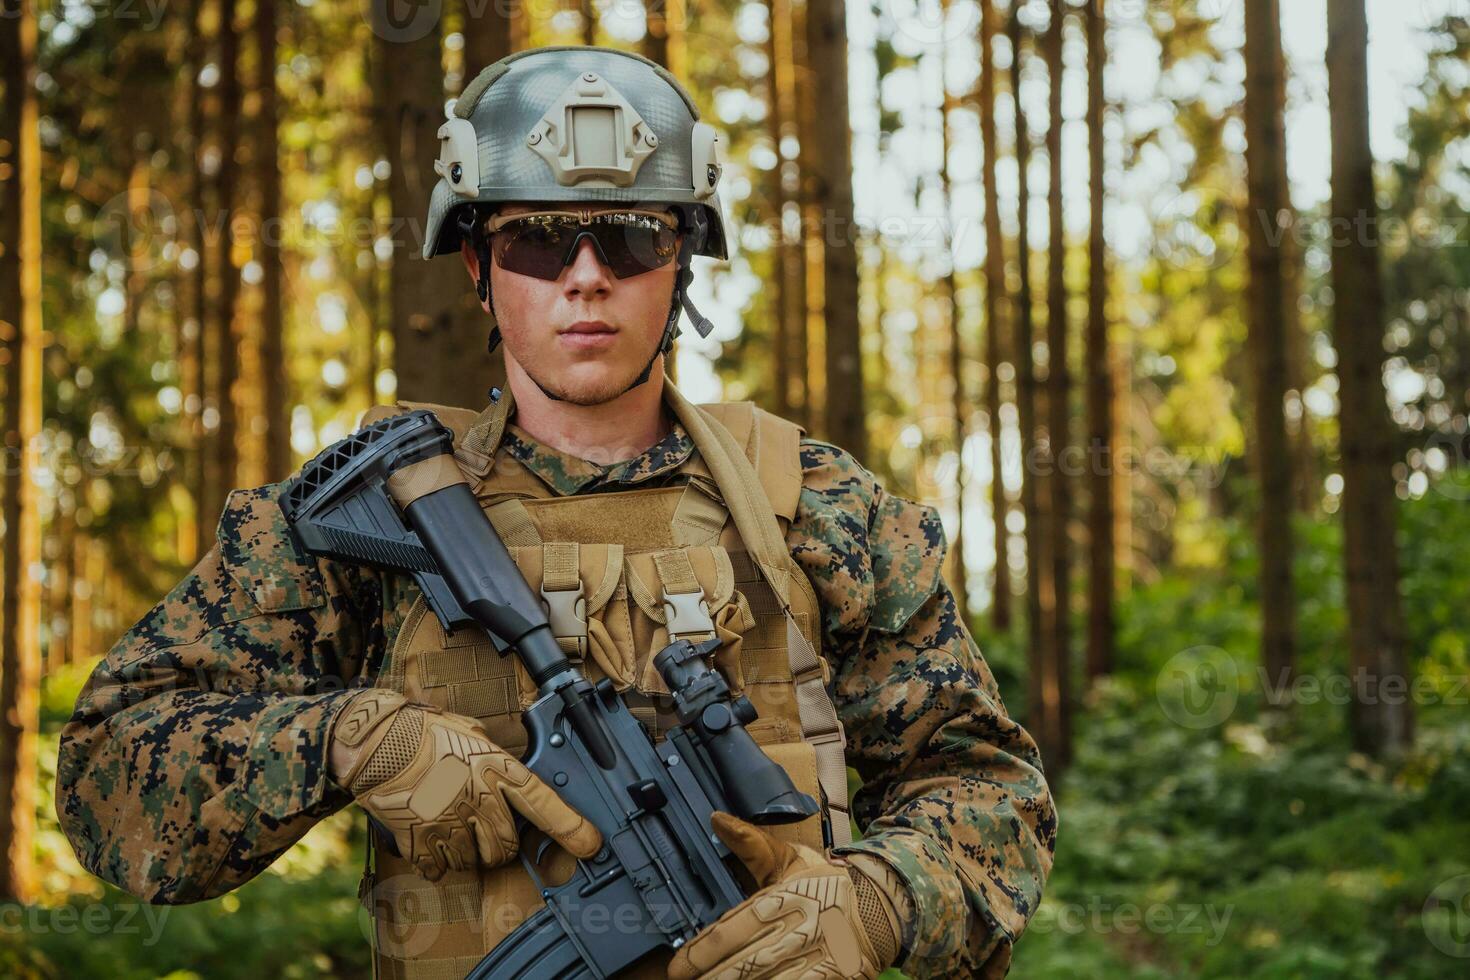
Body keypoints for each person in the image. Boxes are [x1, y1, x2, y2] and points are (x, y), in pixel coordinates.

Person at [57, 46, 1056, 979]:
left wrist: (882, 899)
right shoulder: (369, 514)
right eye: (536, 240)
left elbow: (990, 788)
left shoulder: (821, 507)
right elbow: (109, 772)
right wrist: (347, 739)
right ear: (477, 268)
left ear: (685, 262)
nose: (587, 274)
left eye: (632, 235)